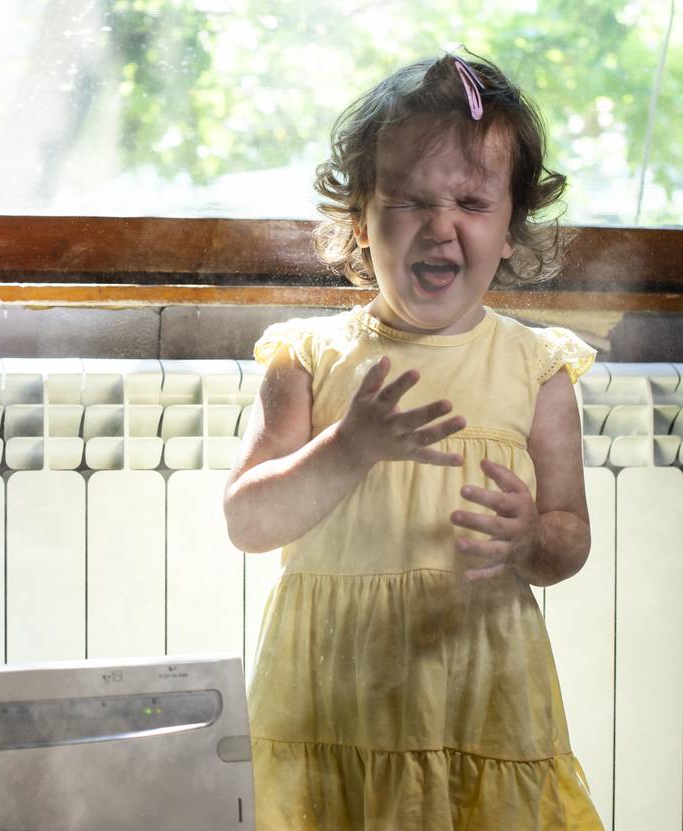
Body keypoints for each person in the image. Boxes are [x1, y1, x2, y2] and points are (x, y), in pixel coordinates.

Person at [224, 52, 604, 829]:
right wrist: (348, 448)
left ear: (509, 230)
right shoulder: (306, 358)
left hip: (478, 701)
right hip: (327, 707)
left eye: (471, 200)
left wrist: (530, 535)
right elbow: (247, 522)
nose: (441, 225)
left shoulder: (538, 371)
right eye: (408, 200)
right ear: (361, 220)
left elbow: (569, 539)